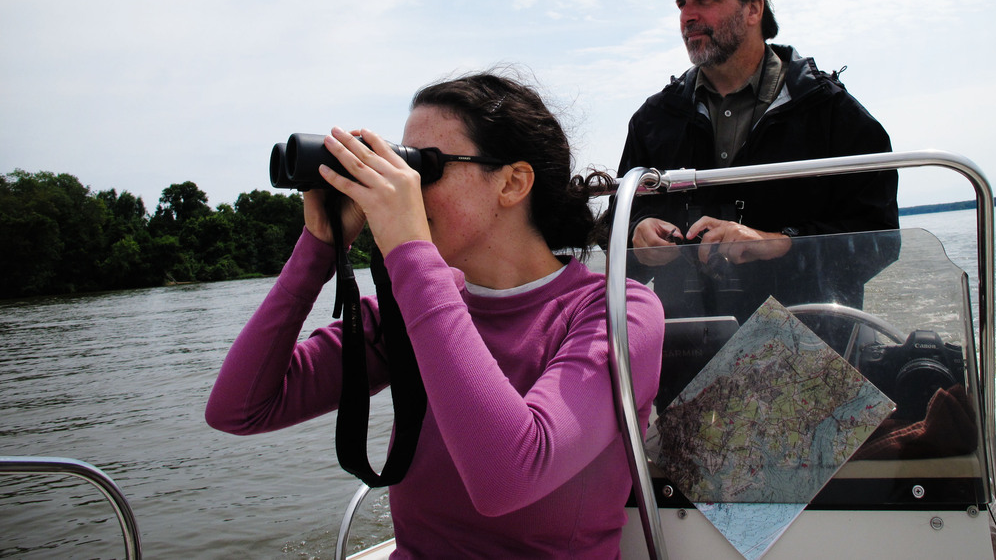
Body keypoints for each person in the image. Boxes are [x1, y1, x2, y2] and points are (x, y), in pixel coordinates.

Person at [206, 72, 664, 559]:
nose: (402, 187)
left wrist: (410, 253)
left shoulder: (617, 313)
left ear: (512, 182)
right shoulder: (413, 310)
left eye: (424, 167)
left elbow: (509, 476)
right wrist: (318, 247)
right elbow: (240, 409)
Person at [617, 0, 899, 318]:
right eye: (682, 5)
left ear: (754, 9)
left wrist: (778, 243)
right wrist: (638, 236)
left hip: (803, 345)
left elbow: (878, 242)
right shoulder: (653, 120)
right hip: (685, 344)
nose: (688, 16)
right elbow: (615, 229)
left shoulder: (831, 113)